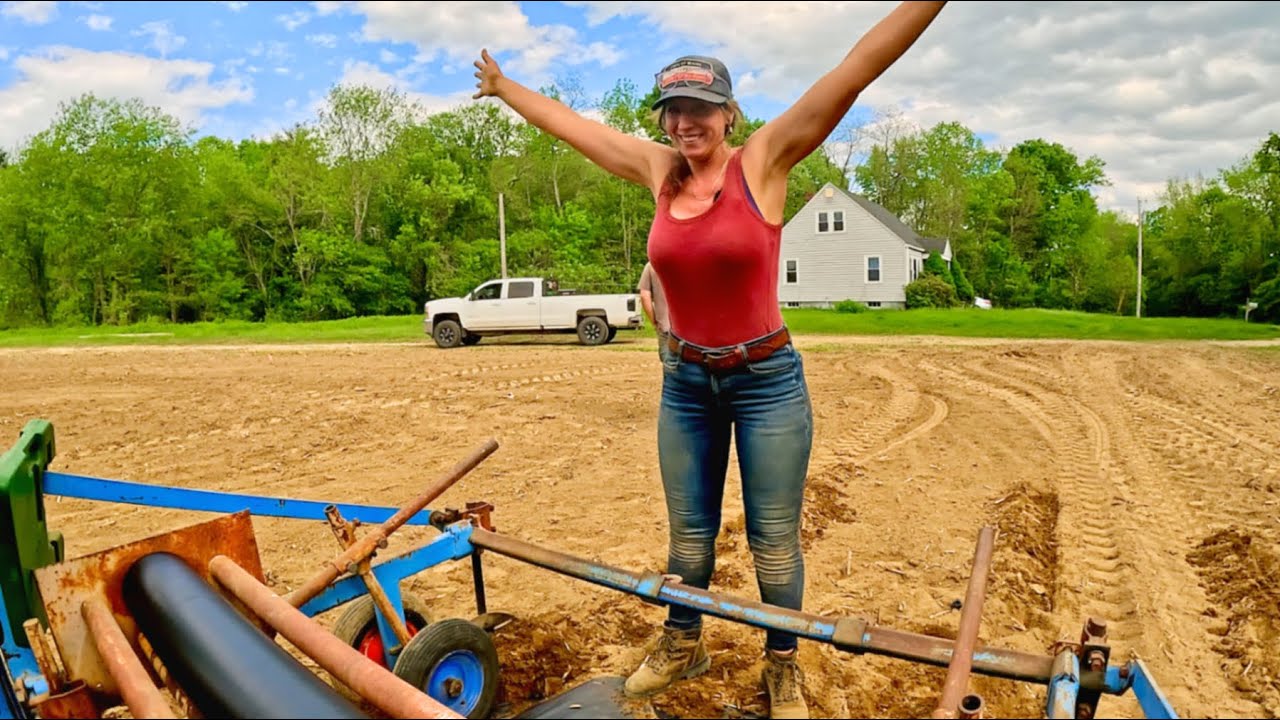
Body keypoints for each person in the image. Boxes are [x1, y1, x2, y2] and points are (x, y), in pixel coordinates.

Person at [473, 3, 946, 717]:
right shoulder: (658, 171)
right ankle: (683, 640)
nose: (684, 122)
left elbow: (855, 69)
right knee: (688, 539)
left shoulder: (765, 162)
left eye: (699, 108)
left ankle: (782, 660)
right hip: (687, 382)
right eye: (672, 109)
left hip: (766, 383)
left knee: (773, 543)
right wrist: (508, 89)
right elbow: (575, 130)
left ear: (729, 113)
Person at [637, 262, 671, 362]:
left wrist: (655, 321)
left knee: (670, 371)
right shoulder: (693, 260)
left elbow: (644, 296)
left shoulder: (652, 264)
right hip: (691, 332)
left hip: (666, 328)